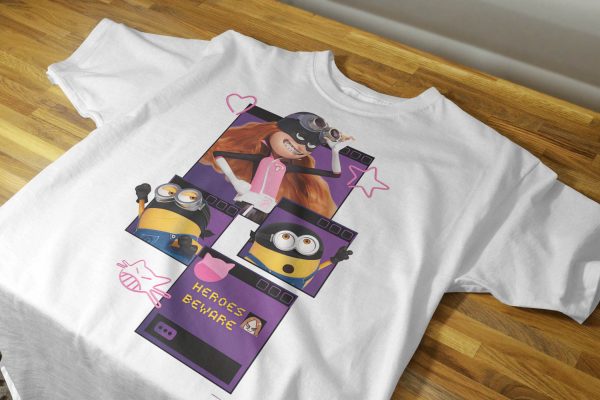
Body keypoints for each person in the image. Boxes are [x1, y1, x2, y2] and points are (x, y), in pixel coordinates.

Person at [200, 112, 353, 222]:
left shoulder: (286, 168)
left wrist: (335, 151)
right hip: (246, 201)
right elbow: (218, 154)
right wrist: (235, 181)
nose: (300, 147)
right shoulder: (261, 159)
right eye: (299, 137)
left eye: (310, 146)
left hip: (265, 209)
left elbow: (335, 174)